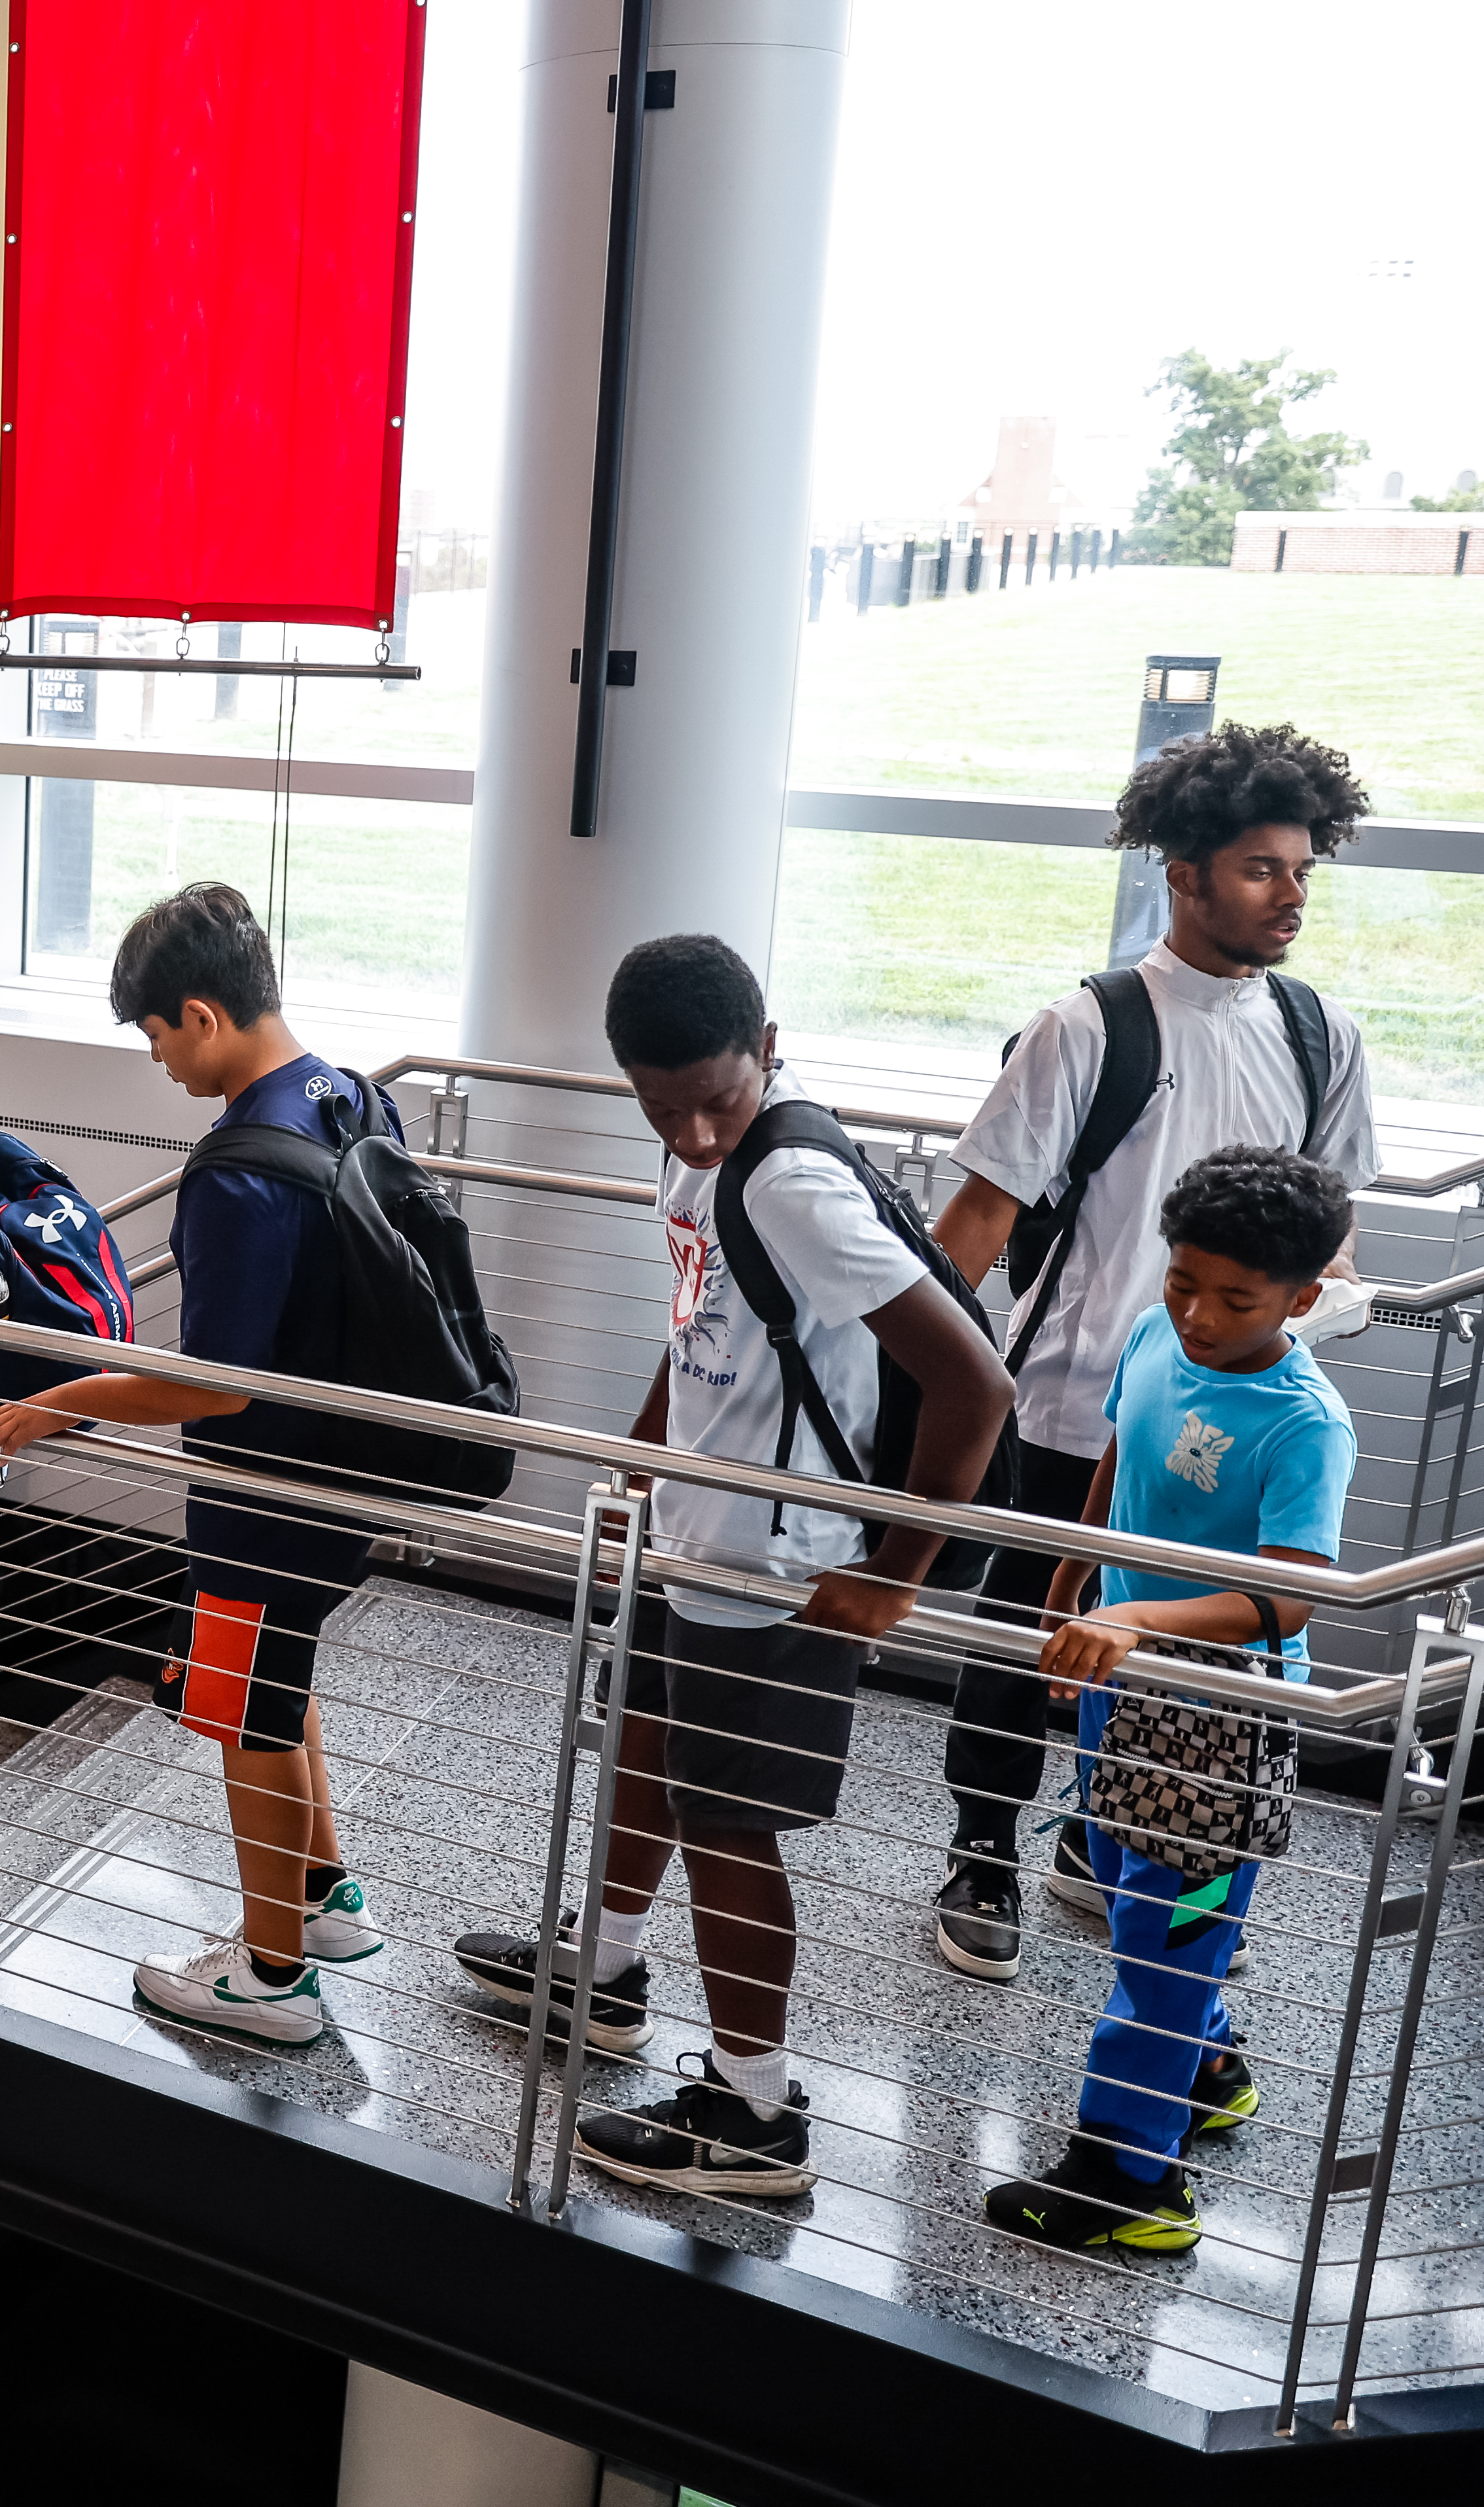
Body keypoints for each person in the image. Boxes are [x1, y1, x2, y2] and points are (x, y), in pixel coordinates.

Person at [451, 936, 1012, 2196]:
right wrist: (642, 1461)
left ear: (770, 1049)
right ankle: (605, 1968)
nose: (696, 1132)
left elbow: (973, 1384)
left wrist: (896, 1569)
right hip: (697, 1540)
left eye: (718, 1098)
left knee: (729, 1833)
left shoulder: (792, 1186)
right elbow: (707, 1321)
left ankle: (755, 2118)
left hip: (779, 1571)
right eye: (664, 1109)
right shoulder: (697, 1157)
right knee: (645, 1745)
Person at [923, 725, 1376, 1978]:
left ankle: (1097, 1837)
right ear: (1181, 874)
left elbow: (1332, 1240)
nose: (1289, 895)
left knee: (1166, 1655)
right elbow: (979, 1218)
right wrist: (891, 1368)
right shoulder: (1088, 1028)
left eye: (1300, 871)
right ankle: (982, 1848)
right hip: (1077, 1404)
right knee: (1026, 1642)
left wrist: (1313, 1311)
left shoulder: (1319, 1035)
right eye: (1259, 870)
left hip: (1228, 1431)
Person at [0, 885, 385, 2046]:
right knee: (282, 1676)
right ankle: (323, 1899)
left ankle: (270, 1979)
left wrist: (60, 1402)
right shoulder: (353, 1095)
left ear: (202, 1015)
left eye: (157, 1036)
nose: (158, 1061)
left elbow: (213, 1385)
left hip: (264, 1493)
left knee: (245, 1711)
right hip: (344, 1468)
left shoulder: (237, 1170)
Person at [985, 1149, 1355, 2253]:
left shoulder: (1305, 1422)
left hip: (1217, 1718)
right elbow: (1119, 1447)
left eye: (1235, 1300)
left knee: (1162, 1945)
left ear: (1304, 1299)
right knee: (1128, 1884)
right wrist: (1078, 1571)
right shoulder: (1156, 1335)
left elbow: (1286, 1600)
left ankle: (1131, 2186)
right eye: (1182, 1283)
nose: (1197, 1316)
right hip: (1119, 1670)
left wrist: (1140, 1620)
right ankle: (1210, 2068)